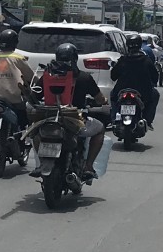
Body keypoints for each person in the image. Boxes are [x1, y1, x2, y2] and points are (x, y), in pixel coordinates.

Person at [32, 42, 107, 180]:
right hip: (75, 119)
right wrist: (103, 101)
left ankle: (41, 163)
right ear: (75, 58)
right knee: (100, 129)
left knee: (35, 133)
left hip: (50, 117)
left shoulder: (47, 76)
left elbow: (35, 96)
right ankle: (88, 166)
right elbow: (100, 99)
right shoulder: (84, 77)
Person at [0, 26, 34, 136]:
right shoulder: (18, 58)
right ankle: (21, 137)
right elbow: (31, 77)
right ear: (15, 43)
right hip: (13, 99)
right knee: (24, 117)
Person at [109, 35, 161, 127]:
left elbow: (113, 76)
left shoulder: (123, 60)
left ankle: (113, 119)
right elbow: (155, 77)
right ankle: (147, 120)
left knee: (113, 96)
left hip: (121, 90)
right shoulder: (146, 60)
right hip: (143, 93)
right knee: (155, 94)